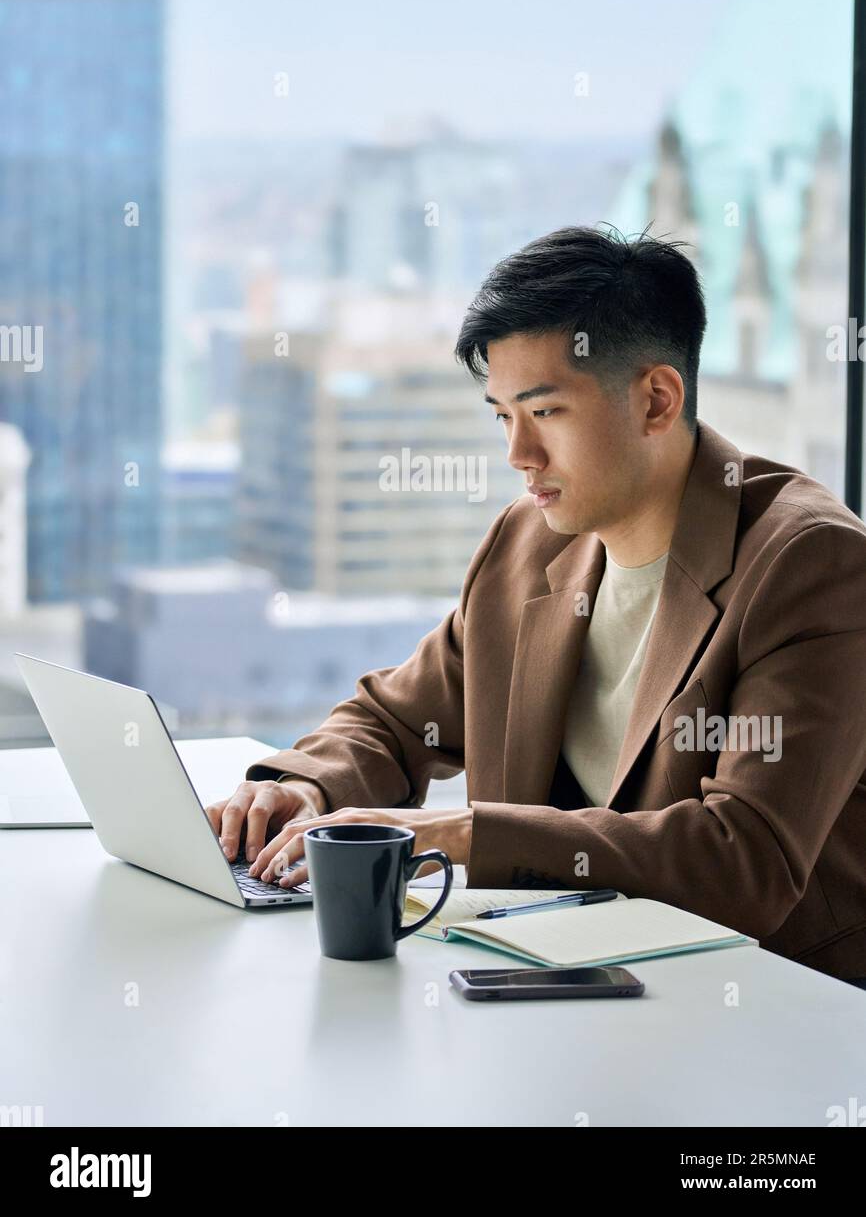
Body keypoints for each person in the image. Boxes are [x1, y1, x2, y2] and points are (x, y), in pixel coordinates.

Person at [206, 225, 866, 985]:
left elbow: (743, 858)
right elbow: (395, 721)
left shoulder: (808, 563)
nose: (517, 454)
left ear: (656, 400)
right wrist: (302, 788)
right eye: (501, 416)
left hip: (766, 1017)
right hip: (550, 989)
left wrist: (461, 833)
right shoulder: (531, 542)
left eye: (545, 412)